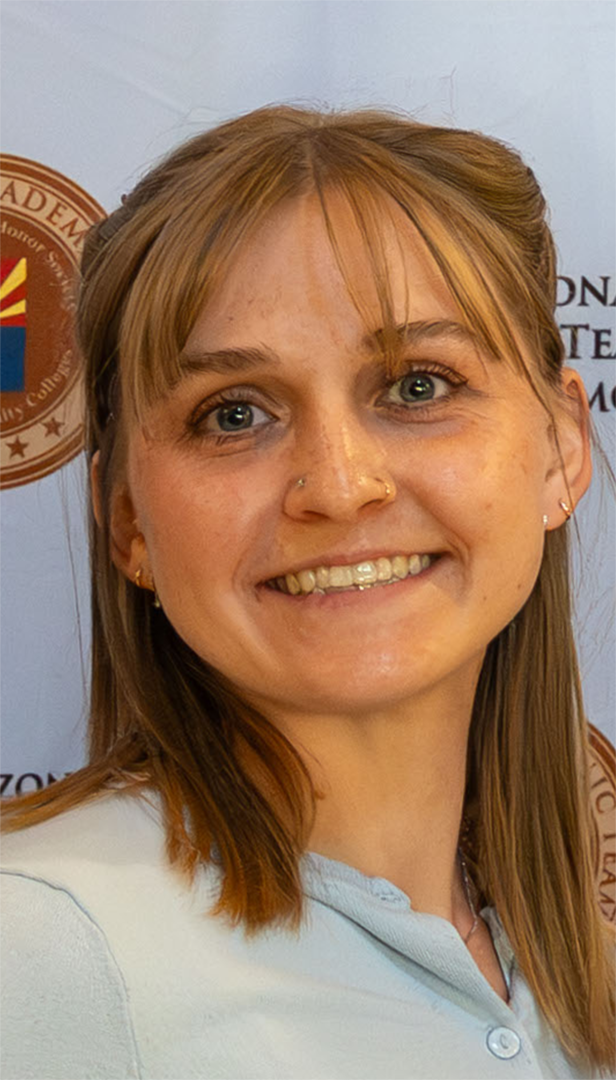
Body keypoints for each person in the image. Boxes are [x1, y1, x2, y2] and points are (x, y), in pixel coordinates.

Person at [0, 103, 614, 1079]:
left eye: (418, 386)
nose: (337, 485)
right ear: (126, 520)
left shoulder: (562, 976)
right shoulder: (38, 952)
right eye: (233, 413)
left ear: (561, 447)